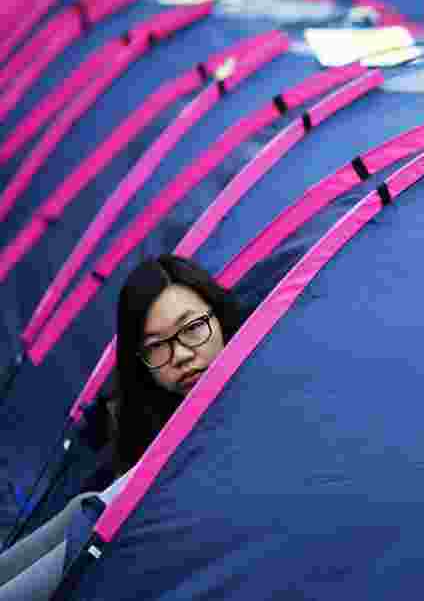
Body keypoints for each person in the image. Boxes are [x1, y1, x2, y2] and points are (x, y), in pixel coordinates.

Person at [0, 255, 244, 600]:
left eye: (192, 329)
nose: (181, 354)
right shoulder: (162, 421)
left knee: (97, 520)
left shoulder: (253, 396)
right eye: (157, 345)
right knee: (87, 506)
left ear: (219, 318)